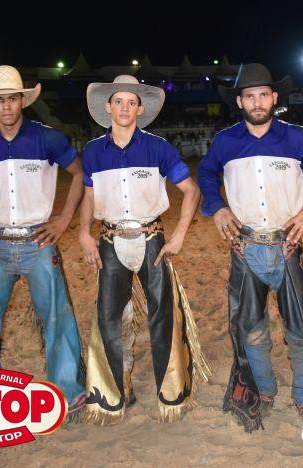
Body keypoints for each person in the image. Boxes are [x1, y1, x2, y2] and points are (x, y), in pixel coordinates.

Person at [198, 63, 303, 432]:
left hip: (288, 245)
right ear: (239, 101)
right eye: (250, 95)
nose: (257, 101)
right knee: (251, 328)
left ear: (274, 98)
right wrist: (216, 208)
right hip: (244, 246)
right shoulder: (225, 142)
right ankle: (262, 387)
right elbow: (206, 174)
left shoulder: (297, 138)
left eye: (264, 94)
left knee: (301, 326)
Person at [0, 65, 86, 412]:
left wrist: (63, 219)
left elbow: (78, 174)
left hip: (38, 241)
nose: (7, 106)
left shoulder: (47, 137)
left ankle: (68, 391)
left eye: (12, 98)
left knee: (55, 315)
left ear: (23, 101)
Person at [78, 75, 209, 424]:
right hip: (108, 241)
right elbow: (89, 196)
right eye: (118, 101)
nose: (124, 108)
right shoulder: (92, 152)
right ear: (108, 107)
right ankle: (112, 396)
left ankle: (172, 395)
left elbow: (191, 191)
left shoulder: (158, 148)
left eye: (130, 102)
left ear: (140, 108)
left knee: (163, 315)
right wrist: (83, 234)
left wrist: (179, 234)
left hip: (152, 239)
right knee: (108, 318)